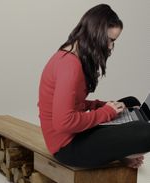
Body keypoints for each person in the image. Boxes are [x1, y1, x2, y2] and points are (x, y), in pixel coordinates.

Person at [37, 3, 150, 169]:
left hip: (75, 134)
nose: (111, 46)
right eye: (110, 40)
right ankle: (119, 147)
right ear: (95, 33)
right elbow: (64, 122)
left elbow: (73, 103)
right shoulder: (69, 66)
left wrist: (100, 106)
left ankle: (119, 145)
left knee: (130, 103)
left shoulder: (71, 56)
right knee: (146, 131)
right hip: (67, 147)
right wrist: (106, 113)